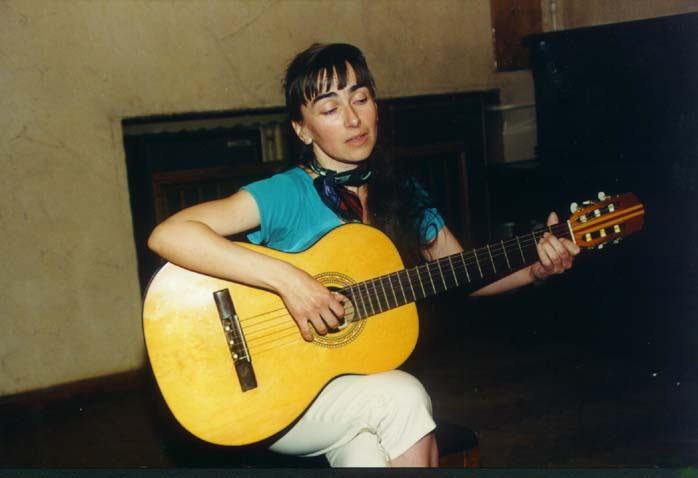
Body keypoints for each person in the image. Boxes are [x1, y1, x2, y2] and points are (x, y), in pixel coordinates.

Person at [147, 43, 580, 467]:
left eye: (360, 98)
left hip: (350, 392)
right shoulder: (285, 193)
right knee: (404, 398)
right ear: (302, 129)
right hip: (274, 393)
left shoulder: (404, 194)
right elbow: (169, 235)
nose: (353, 118)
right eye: (330, 108)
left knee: (371, 450)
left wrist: (535, 270)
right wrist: (289, 281)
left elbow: (462, 272)